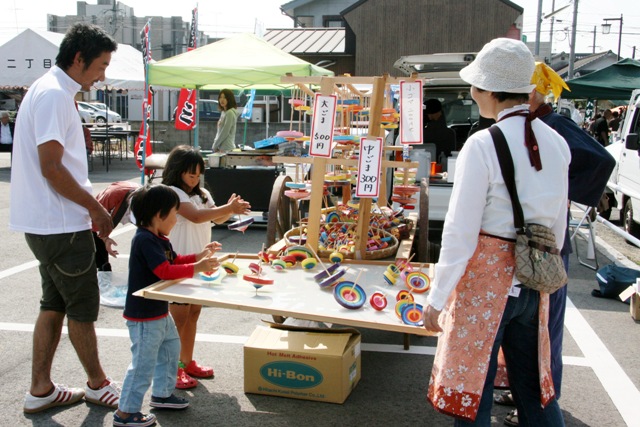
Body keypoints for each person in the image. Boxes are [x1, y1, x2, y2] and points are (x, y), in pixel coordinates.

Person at [422, 38, 569, 426]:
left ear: (488, 90)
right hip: (534, 277)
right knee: (533, 390)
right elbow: (558, 224)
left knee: (473, 390)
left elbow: (460, 231)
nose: (472, 93)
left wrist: (436, 297)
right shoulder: (557, 143)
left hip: (485, 282)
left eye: (475, 86)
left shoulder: (482, 144)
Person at [494, 62, 617, 426]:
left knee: (545, 334)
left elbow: (601, 160)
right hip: (529, 243)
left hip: (547, 245)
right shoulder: (529, 125)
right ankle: (523, 393)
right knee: (523, 337)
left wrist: (564, 191)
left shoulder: (553, 125)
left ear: (532, 92)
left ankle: (549, 400)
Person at [9, 23, 122, 414]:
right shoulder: (56, 95)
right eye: (101, 65)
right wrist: (95, 207)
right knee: (82, 309)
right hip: (60, 224)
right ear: (79, 58)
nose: (103, 75)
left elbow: (52, 166)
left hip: (44, 223)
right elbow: (52, 168)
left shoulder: (45, 89)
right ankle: (98, 384)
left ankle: (40, 388)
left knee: (53, 305)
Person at [114, 184, 221, 427]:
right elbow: (164, 270)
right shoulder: (144, 240)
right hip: (144, 315)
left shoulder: (159, 238)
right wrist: (197, 269)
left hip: (158, 311)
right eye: (174, 214)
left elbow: (174, 260)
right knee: (142, 364)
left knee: (171, 350)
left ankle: (162, 394)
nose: (176, 219)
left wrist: (199, 256)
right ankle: (125, 412)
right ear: (158, 215)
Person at [161, 145, 251, 389]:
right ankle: (174, 369)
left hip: (200, 264)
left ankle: (187, 362)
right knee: (178, 318)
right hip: (179, 262)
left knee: (193, 314)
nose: (195, 177)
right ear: (177, 170)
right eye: (191, 173)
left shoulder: (201, 194)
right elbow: (197, 217)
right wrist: (228, 209)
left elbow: (216, 217)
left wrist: (231, 208)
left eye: (198, 173)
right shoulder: (171, 193)